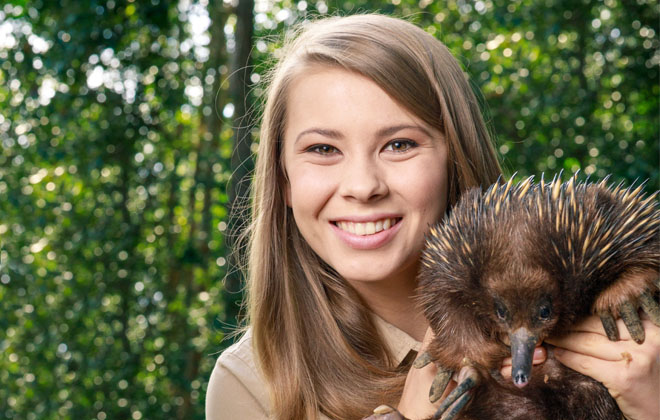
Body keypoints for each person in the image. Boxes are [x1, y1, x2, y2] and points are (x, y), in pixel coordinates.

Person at [205, 13, 660, 420]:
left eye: (399, 144)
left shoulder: (594, 285)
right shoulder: (250, 386)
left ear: (454, 158)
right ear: (283, 179)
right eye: (323, 149)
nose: (363, 187)